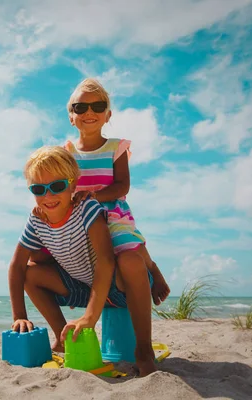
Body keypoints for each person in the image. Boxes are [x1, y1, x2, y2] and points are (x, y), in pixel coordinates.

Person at [8, 145, 157, 376]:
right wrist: (19, 316)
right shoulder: (36, 220)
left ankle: (144, 350)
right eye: (39, 189)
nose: (48, 196)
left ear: (73, 185)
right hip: (83, 288)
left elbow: (106, 260)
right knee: (30, 272)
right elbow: (17, 266)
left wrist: (90, 317)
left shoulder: (86, 208)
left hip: (119, 288)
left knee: (130, 261)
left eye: (57, 186)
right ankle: (63, 337)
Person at [35, 77, 170, 306]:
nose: (90, 112)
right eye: (81, 107)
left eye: (98, 107)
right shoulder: (66, 152)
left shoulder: (115, 147)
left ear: (108, 116)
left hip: (111, 210)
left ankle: (153, 270)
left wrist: (95, 196)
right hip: (79, 214)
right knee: (45, 252)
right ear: (71, 116)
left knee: (124, 241)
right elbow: (56, 184)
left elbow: (122, 186)